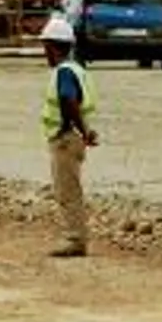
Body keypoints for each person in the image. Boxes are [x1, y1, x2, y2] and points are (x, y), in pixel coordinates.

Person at [38, 16, 100, 257]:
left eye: (45, 47)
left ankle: (75, 239)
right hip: (73, 137)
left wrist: (81, 131)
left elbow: (68, 99)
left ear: (52, 47)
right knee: (70, 188)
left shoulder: (64, 72)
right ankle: (75, 236)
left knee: (68, 191)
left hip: (65, 138)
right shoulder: (77, 69)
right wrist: (85, 130)